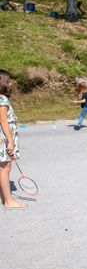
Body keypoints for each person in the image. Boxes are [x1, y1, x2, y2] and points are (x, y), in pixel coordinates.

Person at [0, 69, 27, 210]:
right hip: (4, 137)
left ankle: (6, 196)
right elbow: (4, 122)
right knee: (5, 168)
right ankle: (8, 201)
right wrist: (10, 141)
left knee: (4, 167)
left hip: (2, 137)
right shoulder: (2, 99)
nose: (10, 84)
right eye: (8, 81)